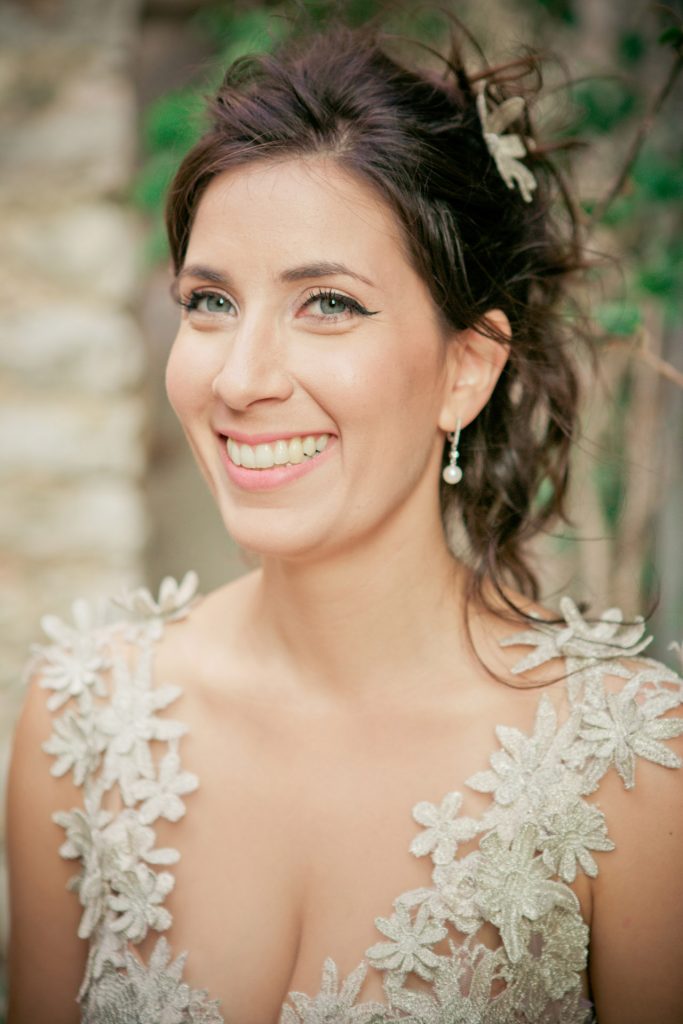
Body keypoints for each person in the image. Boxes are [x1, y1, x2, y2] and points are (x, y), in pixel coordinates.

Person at [6, 16, 683, 1024]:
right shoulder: (82, 723)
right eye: (209, 301)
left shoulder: (626, 767)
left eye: (326, 303)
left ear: (465, 369)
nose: (240, 380)